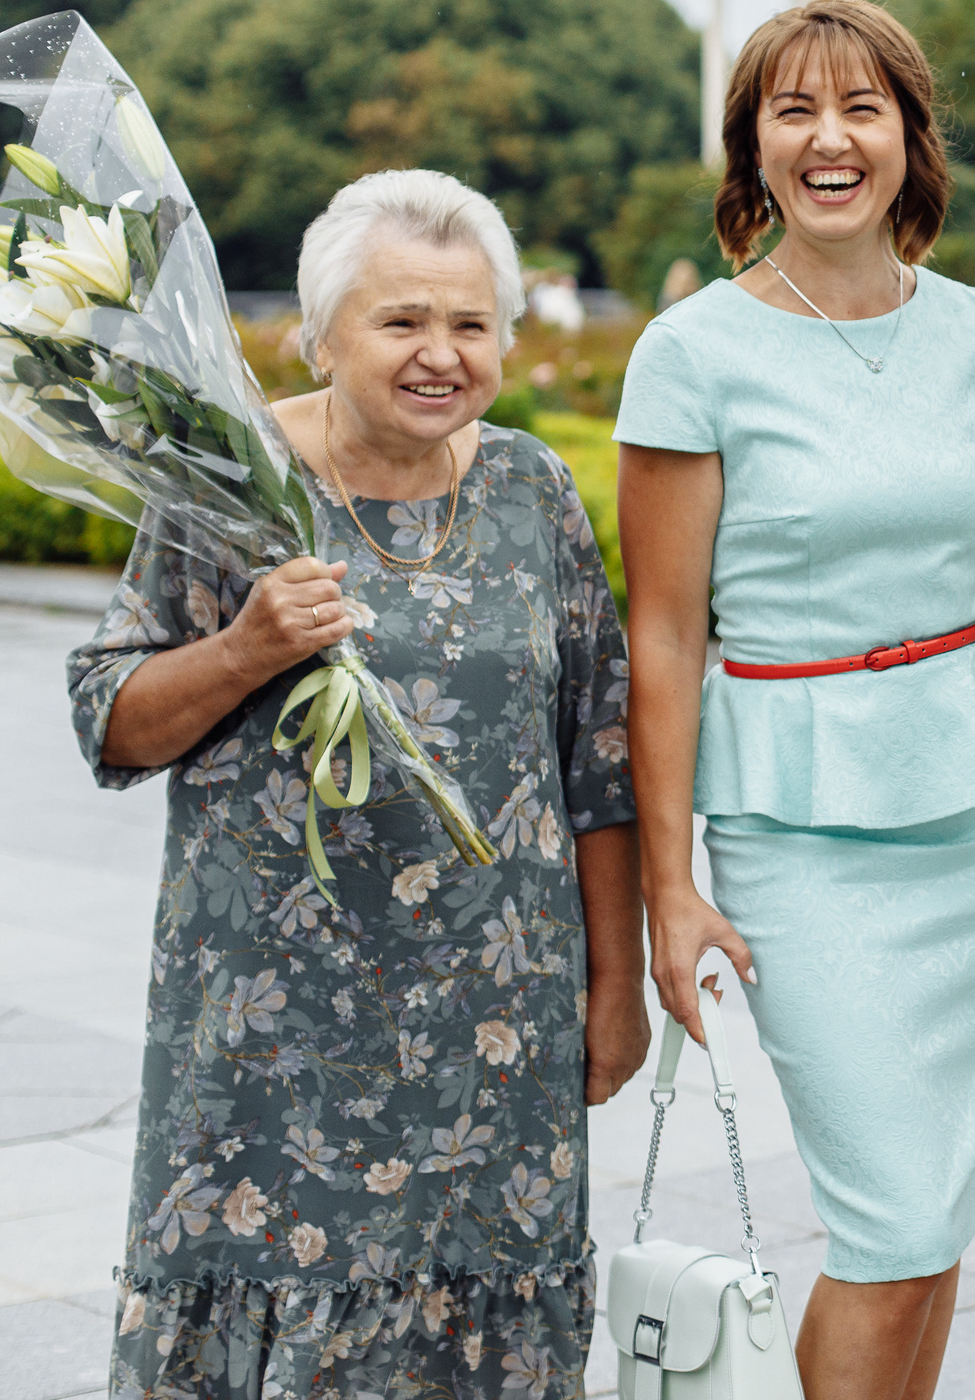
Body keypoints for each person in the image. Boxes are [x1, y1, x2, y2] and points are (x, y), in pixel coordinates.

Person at [68, 168, 645, 1396]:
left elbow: (598, 758)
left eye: (471, 323)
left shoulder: (532, 487)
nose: (442, 353)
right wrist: (244, 649)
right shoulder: (231, 484)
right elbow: (110, 722)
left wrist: (616, 988)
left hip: (496, 1031)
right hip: (274, 1036)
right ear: (321, 336)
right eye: (402, 321)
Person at [617, 0, 975, 1400]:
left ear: (908, 137)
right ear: (753, 147)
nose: (830, 139)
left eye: (861, 108)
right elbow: (664, 638)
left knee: (935, 1211)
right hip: (798, 829)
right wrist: (667, 892)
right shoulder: (691, 352)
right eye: (795, 111)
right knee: (892, 1216)